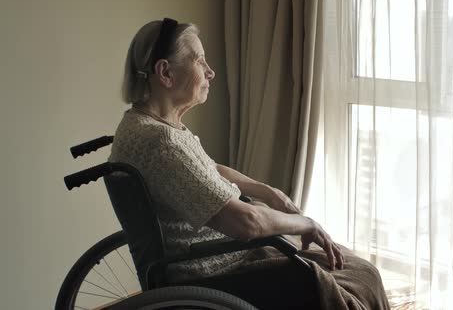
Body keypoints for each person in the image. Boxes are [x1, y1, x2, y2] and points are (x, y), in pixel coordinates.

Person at [109, 18, 389, 310]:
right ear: (165, 72)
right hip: (212, 272)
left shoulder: (148, 124)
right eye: (200, 61)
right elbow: (247, 223)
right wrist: (307, 224)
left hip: (222, 256)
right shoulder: (161, 143)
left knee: (358, 270)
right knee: (353, 279)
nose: (211, 72)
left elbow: (207, 168)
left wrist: (267, 191)